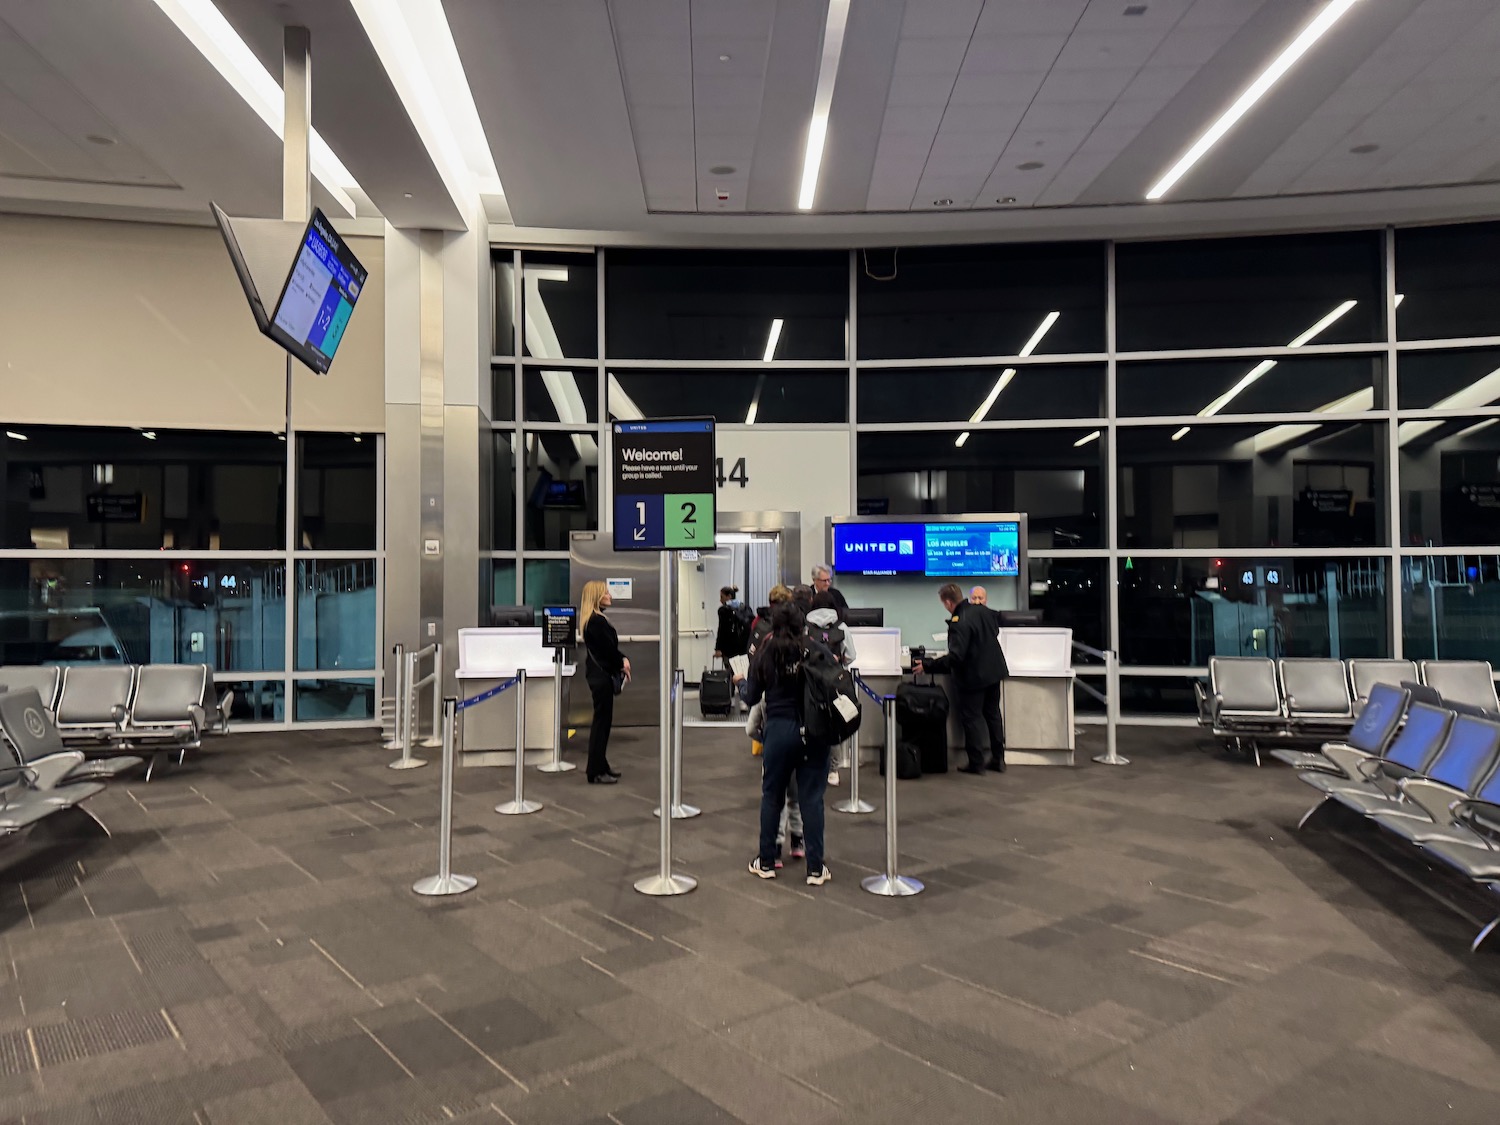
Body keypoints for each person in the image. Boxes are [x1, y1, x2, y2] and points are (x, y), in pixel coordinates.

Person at [743, 602, 831, 885]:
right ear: (802, 624)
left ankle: (766, 861)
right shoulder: (816, 649)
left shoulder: (767, 651)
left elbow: (751, 696)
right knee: (812, 799)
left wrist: (742, 681)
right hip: (814, 731)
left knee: (773, 796)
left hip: (779, 731)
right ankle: (816, 869)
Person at [914, 582, 1008, 775]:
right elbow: (992, 633)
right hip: (994, 672)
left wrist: (928, 664)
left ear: (948, 602)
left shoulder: (959, 621)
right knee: (993, 715)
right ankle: (999, 759)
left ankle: (976, 763)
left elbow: (956, 656)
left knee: (972, 719)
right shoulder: (985, 612)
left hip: (974, 677)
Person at [579, 579, 629, 784]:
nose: (610, 596)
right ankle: (596, 770)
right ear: (597, 596)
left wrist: (621, 659)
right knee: (601, 723)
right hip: (601, 678)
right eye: (606, 593)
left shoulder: (592, 620)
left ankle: (601, 765)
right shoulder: (596, 622)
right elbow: (608, 651)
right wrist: (622, 661)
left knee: (603, 722)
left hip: (597, 676)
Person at [806, 589, 856, 787]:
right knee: (834, 722)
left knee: (811, 718)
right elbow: (851, 655)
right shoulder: (841, 626)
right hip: (834, 681)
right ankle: (833, 770)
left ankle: (812, 763)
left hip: (810, 681)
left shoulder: (805, 626)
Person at [713, 585, 751, 668]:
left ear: (729, 596)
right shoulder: (745, 608)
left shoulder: (724, 610)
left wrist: (718, 649)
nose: (720, 600)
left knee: (730, 673)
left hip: (729, 650)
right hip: (744, 648)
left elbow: (722, 630)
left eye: (722, 597)